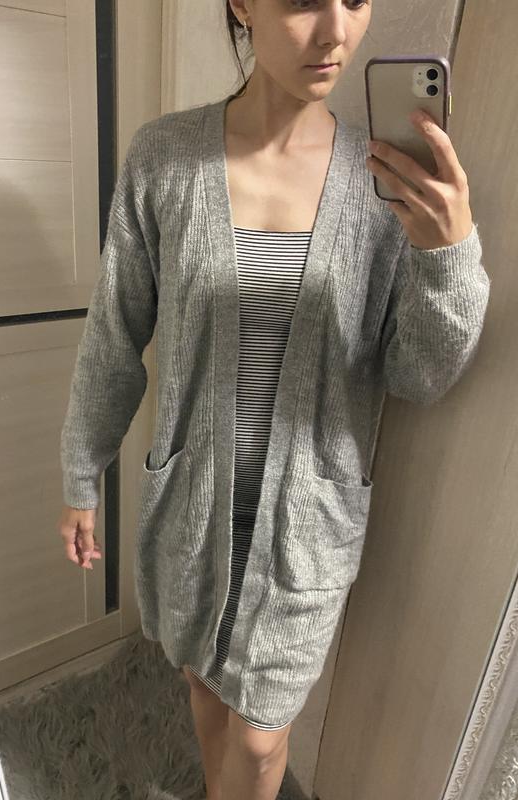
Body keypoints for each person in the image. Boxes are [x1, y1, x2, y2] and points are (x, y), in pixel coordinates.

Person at [58, 1, 489, 798]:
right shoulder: (164, 159)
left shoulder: (382, 181)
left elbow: (419, 376)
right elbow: (114, 333)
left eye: (354, 0)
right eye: (301, 1)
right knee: (202, 688)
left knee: (260, 744)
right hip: (192, 511)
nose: (336, 32)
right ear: (242, 4)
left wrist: (448, 257)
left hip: (307, 531)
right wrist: (83, 473)